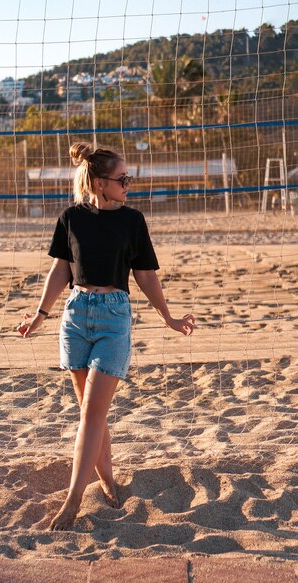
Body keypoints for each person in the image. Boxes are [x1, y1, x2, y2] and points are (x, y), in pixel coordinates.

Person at [18, 142, 195, 531]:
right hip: (76, 316)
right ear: (100, 183)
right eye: (123, 178)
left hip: (115, 317)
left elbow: (145, 275)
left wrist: (167, 317)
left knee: (93, 413)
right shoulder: (71, 218)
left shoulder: (133, 221)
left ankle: (73, 500)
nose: (129, 183)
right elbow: (60, 272)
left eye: (128, 178)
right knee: (89, 415)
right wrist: (40, 315)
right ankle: (108, 481)